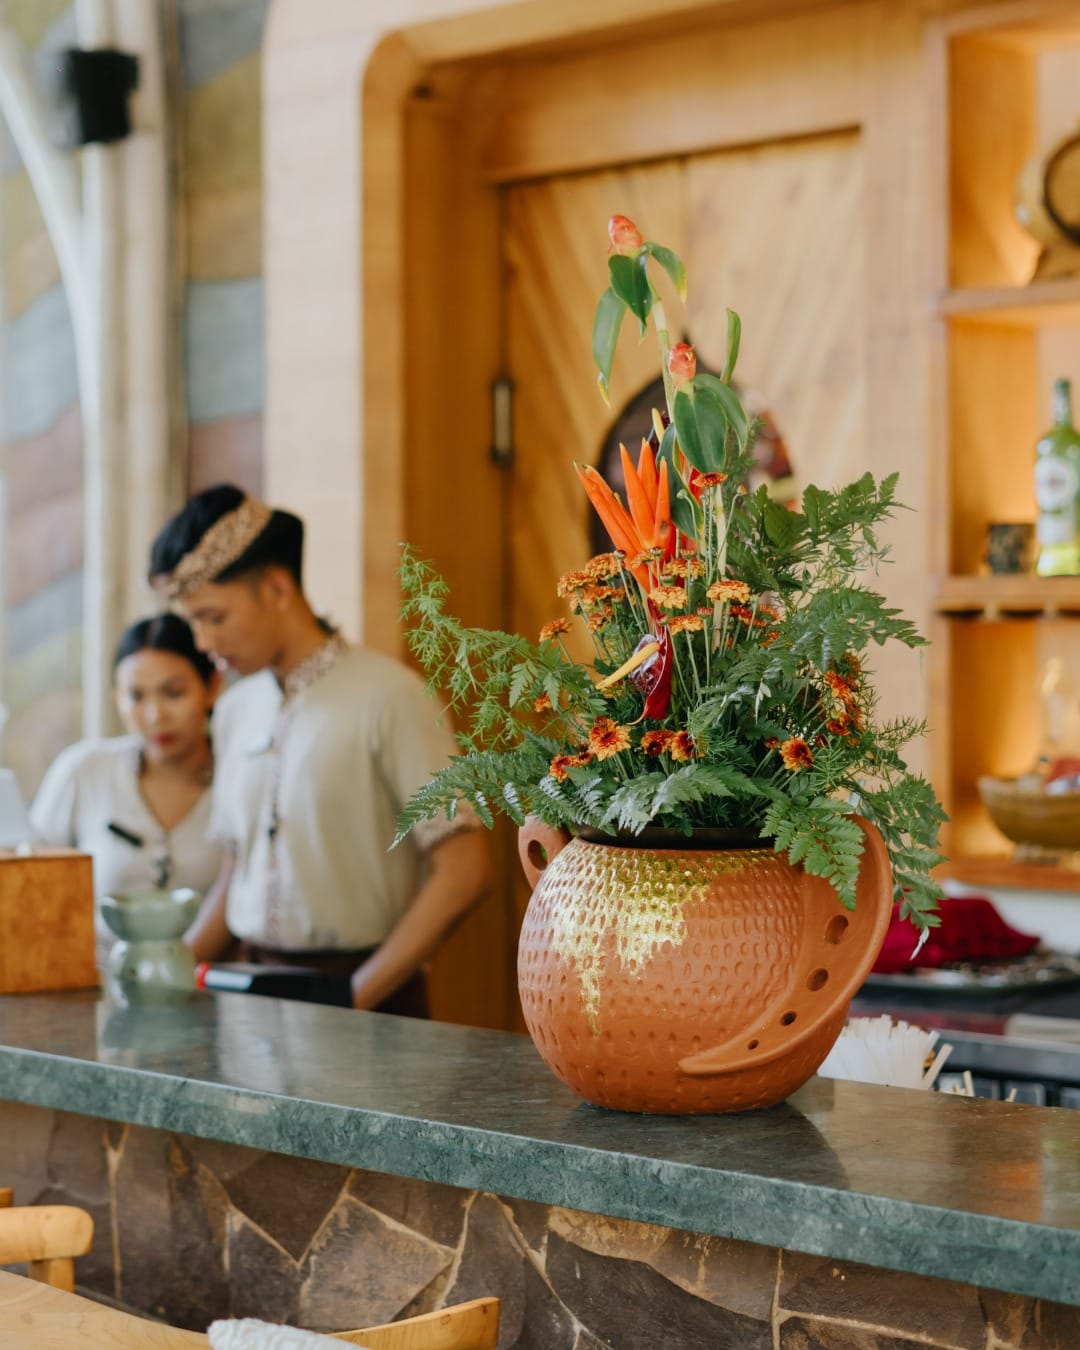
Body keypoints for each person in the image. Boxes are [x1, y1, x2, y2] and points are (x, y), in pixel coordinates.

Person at [147, 483, 490, 1016]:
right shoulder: (235, 710)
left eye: (214, 617)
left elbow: (465, 872)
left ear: (277, 589)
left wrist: (356, 997)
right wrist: (162, 977)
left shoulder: (391, 697)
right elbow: (236, 873)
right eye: (192, 622)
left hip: (367, 1001)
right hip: (247, 1001)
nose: (203, 643)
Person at [30, 613, 224, 965]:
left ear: (211, 687)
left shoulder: (238, 778)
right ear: (116, 698)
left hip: (208, 983)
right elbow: (30, 880)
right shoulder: (84, 769)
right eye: (135, 696)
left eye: (174, 693)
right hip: (94, 978)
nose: (155, 715)